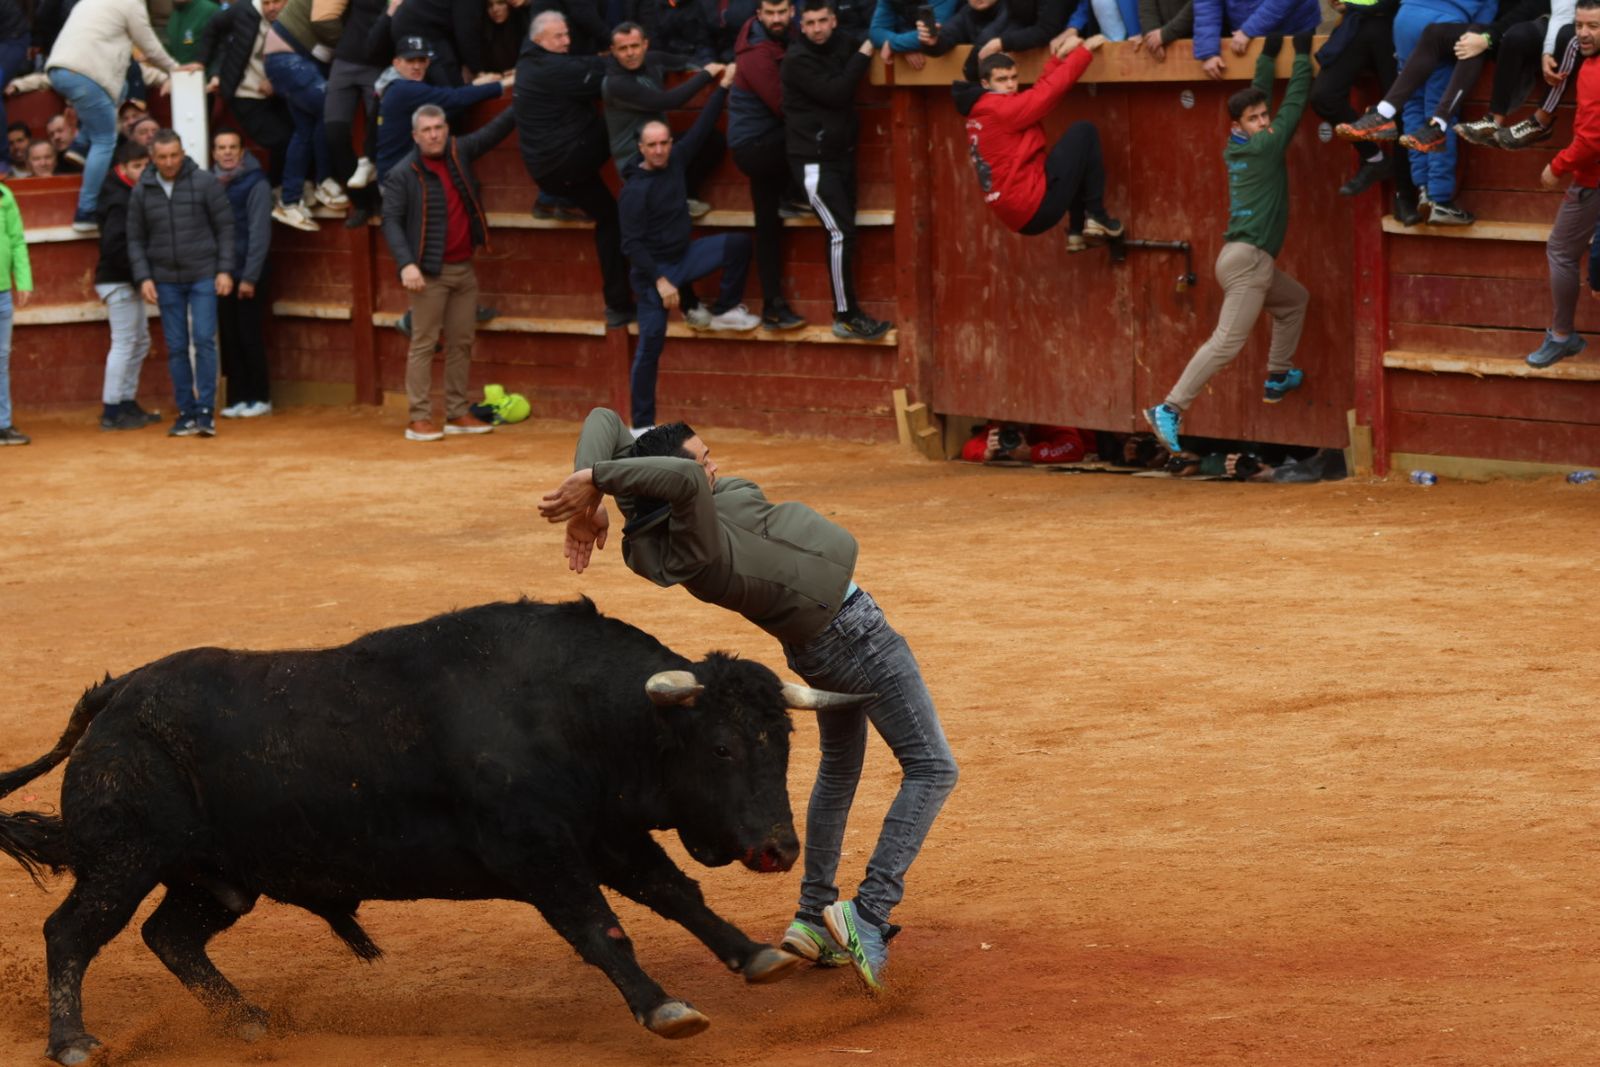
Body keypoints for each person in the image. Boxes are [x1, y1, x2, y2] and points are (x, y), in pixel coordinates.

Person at [537, 410, 958, 993]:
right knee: (933, 767)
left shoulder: (687, 509)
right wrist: (600, 482)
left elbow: (607, 418)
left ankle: (813, 917)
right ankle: (869, 912)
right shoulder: (690, 540)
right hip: (854, 635)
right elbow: (678, 478)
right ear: (669, 482)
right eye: (704, 460)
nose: (714, 466)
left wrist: (587, 493)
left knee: (839, 768)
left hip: (827, 635)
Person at [1143, 34, 1313, 454]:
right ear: (1238, 126)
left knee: (1294, 301)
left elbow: (1262, 102)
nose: (1261, 121)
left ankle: (1277, 374)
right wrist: (1304, 56)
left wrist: (1269, 56)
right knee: (1226, 342)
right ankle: (1170, 407)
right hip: (1249, 262)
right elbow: (1294, 104)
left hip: (1245, 259)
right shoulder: (1266, 144)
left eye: (1261, 116)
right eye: (1254, 118)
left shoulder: (1238, 146)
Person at [620, 91, 762, 432]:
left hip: (684, 257)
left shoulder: (678, 159)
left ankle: (725, 309)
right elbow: (631, 244)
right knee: (650, 344)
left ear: (671, 142)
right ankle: (641, 425)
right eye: (651, 145)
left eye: (664, 143)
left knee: (738, 244)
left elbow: (701, 128)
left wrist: (723, 88)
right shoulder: (634, 191)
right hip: (652, 272)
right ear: (640, 148)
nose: (659, 150)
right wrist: (660, 280)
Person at [380, 101, 517, 441]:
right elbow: (391, 223)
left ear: (447, 129)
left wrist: (522, 96)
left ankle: (456, 412)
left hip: (463, 269)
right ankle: (419, 417)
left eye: (438, 127)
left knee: (461, 342)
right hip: (428, 273)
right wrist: (406, 264)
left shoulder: (459, 152)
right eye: (426, 130)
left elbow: (493, 132)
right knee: (424, 343)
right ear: (415, 135)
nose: (434, 134)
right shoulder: (402, 173)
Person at [1334, 0, 1522, 225]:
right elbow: (1483, 22)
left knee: (1412, 105)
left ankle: (1422, 188)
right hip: (1441, 22)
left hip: (1405, 20)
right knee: (1439, 110)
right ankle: (1439, 199)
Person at [514, 11, 637, 327]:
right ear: (539, 40)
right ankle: (617, 305)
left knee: (610, 217)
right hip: (568, 161)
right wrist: (629, 56)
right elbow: (603, 72)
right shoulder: (553, 69)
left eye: (567, 34)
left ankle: (618, 306)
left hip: (551, 169)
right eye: (559, 37)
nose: (567, 41)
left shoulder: (528, 63)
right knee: (623, 120)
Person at [783, 0, 892, 341]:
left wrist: (888, 43)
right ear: (801, 25)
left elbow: (871, 36)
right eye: (810, 22)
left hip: (840, 156)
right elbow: (837, 92)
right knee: (840, 234)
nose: (816, 28)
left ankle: (848, 313)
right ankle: (845, 316)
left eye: (822, 21)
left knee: (845, 233)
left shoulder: (840, 41)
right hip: (813, 163)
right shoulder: (797, 59)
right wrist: (865, 52)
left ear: (833, 21)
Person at [953, 38, 1123, 250]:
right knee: (1083, 132)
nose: (1010, 84)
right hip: (1033, 208)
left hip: (1019, 210)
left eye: (1014, 77)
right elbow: (1046, 94)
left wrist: (1056, 61)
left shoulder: (982, 107)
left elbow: (1036, 94)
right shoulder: (1000, 109)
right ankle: (1096, 215)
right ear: (985, 84)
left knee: (1072, 158)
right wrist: (1084, 51)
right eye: (1002, 79)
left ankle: (1077, 231)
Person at [127, 129, 235, 438]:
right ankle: (187, 411)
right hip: (164, 279)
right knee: (176, 347)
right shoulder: (142, 190)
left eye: (174, 155)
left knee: (203, 339)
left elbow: (225, 227)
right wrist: (144, 276)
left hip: (202, 273)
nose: (170, 162)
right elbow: (135, 238)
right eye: (162, 157)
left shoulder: (204, 182)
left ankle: (205, 412)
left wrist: (224, 269)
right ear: (153, 158)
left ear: (183, 152)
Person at [45, 0, 188, 232]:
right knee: (105, 139)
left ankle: (80, 146)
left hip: (61, 70)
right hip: (87, 75)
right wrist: (174, 68)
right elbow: (149, 46)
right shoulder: (130, 4)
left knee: (119, 92)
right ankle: (86, 211)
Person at [1527, 0, 1600, 368]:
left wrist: (1557, 166)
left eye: (1594, 26)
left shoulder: (1593, 72)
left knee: (1560, 249)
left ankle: (1561, 336)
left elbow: (1591, 140)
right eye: (1580, 24)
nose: (1584, 33)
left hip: (1593, 181)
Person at [729, 0, 807, 331]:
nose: (776, 19)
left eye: (781, 12)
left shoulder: (781, 38)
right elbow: (784, 106)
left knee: (767, 227)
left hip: (761, 143)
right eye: (770, 13)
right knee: (814, 135)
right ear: (759, 14)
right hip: (758, 148)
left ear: (792, 11)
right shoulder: (757, 53)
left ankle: (773, 305)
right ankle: (795, 192)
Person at [1308, 0, 1421, 222]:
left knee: (1400, 107)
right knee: (1323, 96)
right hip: (1358, 24)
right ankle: (1375, 158)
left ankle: (1405, 195)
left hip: (1395, 23)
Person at [602, 22, 725, 216]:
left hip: (659, 145)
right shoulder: (616, 83)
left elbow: (686, 62)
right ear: (613, 51)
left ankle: (686, 195)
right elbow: (668, 101)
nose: (630, 53)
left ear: (645, 44)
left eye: (634, 46)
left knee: (713, 140)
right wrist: (706, 74)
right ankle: (678, 198)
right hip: (634, 160)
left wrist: (711, 67)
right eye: (623, 48)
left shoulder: (653, 60)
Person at [94, 139, 162, 432]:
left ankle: (125, 402)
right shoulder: (119, 200)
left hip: (123, 277)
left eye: (146, 165)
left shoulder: (127, 193)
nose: (143, 171)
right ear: (122, 168)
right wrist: (141, 277)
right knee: (124, 342)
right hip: (118, 279)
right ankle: (112, 409)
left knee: (139, 341)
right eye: (137, 166)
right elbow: (115, 248)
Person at [375, 36, 511, 181]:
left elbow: (448, 98)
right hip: (401, 181)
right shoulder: (404, 89)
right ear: (396, 63)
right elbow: (454, 98)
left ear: (428, 62)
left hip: (397, 175)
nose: (416, 66)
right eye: (410, 61)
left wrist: (475, 85)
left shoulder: (395, 86)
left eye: (421, 60)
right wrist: (505, 83)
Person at [262, 0, 346, 232]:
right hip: (291, 58)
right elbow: (323, 22)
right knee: (328, 108)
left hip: (288, 59)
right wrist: (351, 44)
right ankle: (324, 182)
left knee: (305, 130)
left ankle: (289, 201)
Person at [212, 128, 275, 419]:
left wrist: (250, 276)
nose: (226, 152)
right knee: (230, 335)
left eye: (232, 147)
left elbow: (259, 233)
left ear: (241, 152)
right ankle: (238, 397)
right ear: (214, 153)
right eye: (221, 148)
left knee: (249, 334)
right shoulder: (212, 184)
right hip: (224, 272)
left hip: (249, 271)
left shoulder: (256, 184)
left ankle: (259, 396)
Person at [201, 0, 294, 192]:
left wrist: (276, 80)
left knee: (301, 134)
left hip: (280, 92)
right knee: (280, 140)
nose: (271, 8)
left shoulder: (296, 16)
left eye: (276, 2)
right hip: (244, 92)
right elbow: (212, 27)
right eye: (266, 2)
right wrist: (203, 63)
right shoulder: (245, 10)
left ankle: (298, 187)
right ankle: (277, 189)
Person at [323, 0, 393, 229]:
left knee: (380, 135)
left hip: (378, 64)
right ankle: (361, 202)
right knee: (334, 134)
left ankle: (380, 199)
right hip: (345, 59)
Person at [1192, 0, 1320, 81]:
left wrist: (1250, 28)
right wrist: (1208, 51)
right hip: (1244, 39)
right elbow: (1206, 5)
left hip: (1294, 27)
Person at [0, 172, 31, 445]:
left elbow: (17, 240)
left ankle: (3, 424)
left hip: (2, 291)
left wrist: (23, 280)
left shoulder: (4, 194)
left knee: (1, 360)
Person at [961, 422, 1097, 462]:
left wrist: (1031, 453)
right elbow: (969, 448)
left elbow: (1073, 447)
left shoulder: (1047, 421)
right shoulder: (1000, 427)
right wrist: (987, 452)